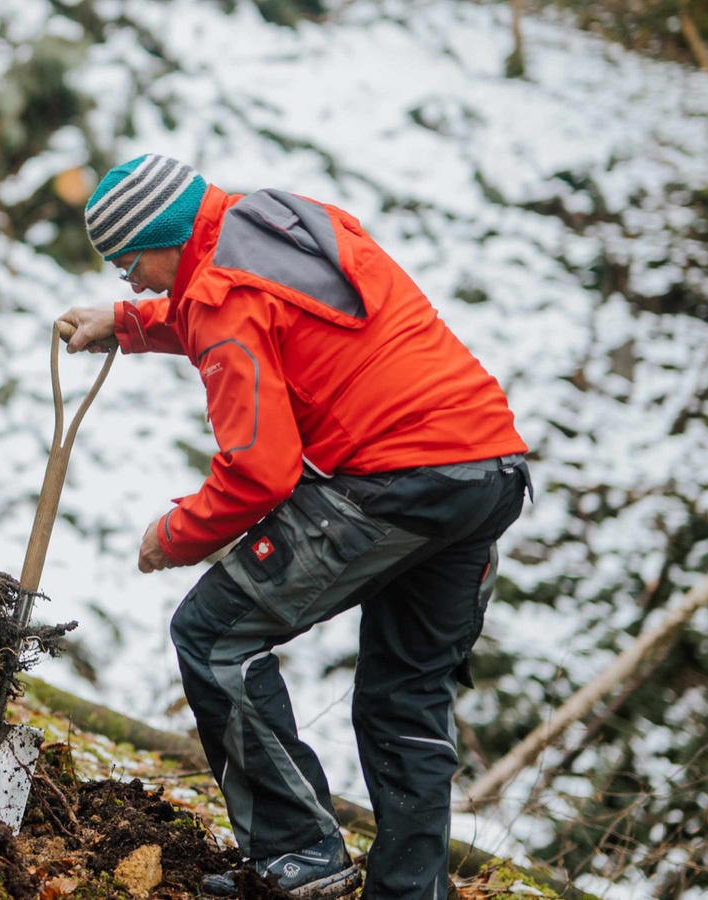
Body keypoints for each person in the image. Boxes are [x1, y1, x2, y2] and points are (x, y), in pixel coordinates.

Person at [58, 155, 530, 900]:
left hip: (396, 479)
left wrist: (175, 535)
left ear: (163, 236)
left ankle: (302, 854)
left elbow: (259, 469)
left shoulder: (215, 293)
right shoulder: (277, 218)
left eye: (130, 265)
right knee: (404, 698)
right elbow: (259, 315)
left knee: (213, 637)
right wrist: (126, 324)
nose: (135, 281)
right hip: (486, 467)